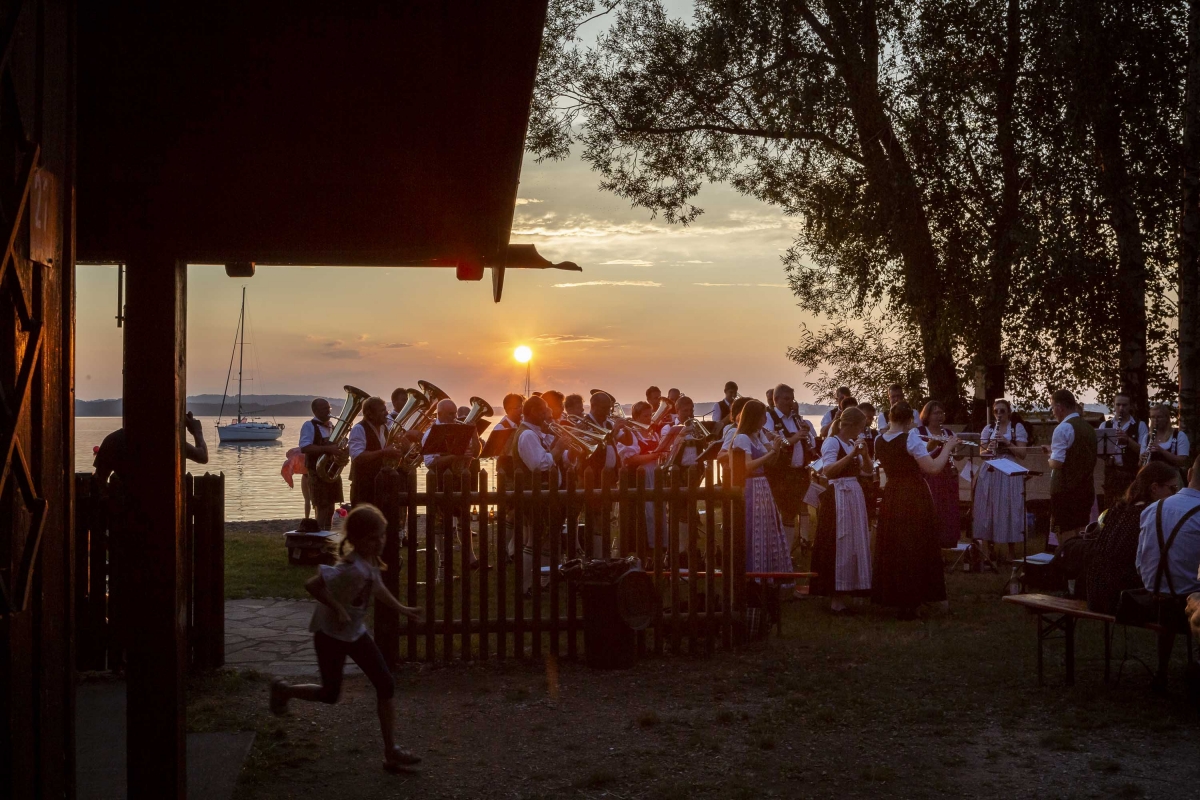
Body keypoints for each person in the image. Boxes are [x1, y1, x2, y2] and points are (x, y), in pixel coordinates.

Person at [269, 504, 423, 772]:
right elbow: (312, 585)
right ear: (357, 539)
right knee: (330, 694)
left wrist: (403, 609)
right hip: (329, 636)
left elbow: (377, 587)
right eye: (373, 538)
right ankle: (284, 690)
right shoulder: (348, 568)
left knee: (385, 684)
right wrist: (338, 607)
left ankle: (391, 752)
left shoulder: (369, 561)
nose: (380, 542)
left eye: (382, 535)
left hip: (355, 634)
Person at [872, 402, 954, 619]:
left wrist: (931, 447)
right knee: (915, 544)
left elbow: (907, 458)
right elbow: (933, 468)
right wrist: (948, 447)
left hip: (892, 493)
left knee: (896, 544)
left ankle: (895, 596)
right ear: (909, 420)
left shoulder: (879, 440)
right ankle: (915, 597)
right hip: (912, 495)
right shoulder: (911, 438)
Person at [1086, 461, 1180, 614]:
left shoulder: (1119, 508)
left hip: (1096, 591)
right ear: (1154, 488)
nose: (1175, 494)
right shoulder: (1149, 515)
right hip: (1122, 595)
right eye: (1173, 488)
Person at [1136, 465, 1200, 685]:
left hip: (1155, 594)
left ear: (1189, 474)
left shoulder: (1153, 508)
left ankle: (1162, 670)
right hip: (1188, 602)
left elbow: (1140, 562)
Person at [810, 407, 873, 612]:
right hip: (838, 494)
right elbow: (828, 471)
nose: (861, 432)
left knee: (855, 541)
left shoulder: (851, 443)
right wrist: (851, 455)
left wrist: (865, 455)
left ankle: (853, 586)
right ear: (851, 425)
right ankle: (836, 595)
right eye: (860, 427)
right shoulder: (832, 442)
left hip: (854, 493)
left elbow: (867, 471)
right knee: (839, 541)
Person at [507, 396, 568, 593]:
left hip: (544, 494)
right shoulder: (527, 435)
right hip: (535, 495)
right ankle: (525, 586)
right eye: (543, 410)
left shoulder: (535, 433)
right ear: (533, 411)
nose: (546, 414)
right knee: (534, 540)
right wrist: (559, 448)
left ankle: (541, 581)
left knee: (545, 539)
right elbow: (538, 464)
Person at [729, 400, 792, 580]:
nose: (765, 419)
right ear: (754, 417)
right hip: (751, 487)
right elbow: (748, 466)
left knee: (767, 530)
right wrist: (771, 452)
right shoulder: (742, 438)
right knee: (752, 529)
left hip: (762, 486)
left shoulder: (756, 436)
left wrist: (776, 448)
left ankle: (766, 571)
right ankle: (751, 573)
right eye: (763, 416)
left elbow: (770, 463)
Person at [422, 398, 481, 574]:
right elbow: (429, 462)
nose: (455, 417)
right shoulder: (431, 432)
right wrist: (456, 457)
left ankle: (470, 557)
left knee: (464, 520)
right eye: (450, 414)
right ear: (439, 414)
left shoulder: (459, 429)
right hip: (440, 482)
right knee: (441, 524)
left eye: (455, 413)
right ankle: (443, 561)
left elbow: (476, 454)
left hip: (459, 480)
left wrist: (474, 433)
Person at [764, 383, 818, 556]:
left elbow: (812, 443)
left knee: (796, 510)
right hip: (781, 473)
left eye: (792, 399)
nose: (791, 403)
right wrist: (795, 437)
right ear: (776, 399)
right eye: (787, 399)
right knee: (786, 513)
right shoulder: (769, 416)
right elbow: (771, 441)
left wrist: (807, 434)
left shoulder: (796, 419)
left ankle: (791, 549)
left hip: (799, 473)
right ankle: (784, 554)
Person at [973, 399, 1030, 562]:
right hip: (991, 469)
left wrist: (1006, 442)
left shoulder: (1016, 428)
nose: (999, 414)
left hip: (1009, 468)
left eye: (1002, 411)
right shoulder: (988, 428)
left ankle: (1011, 552)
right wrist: (989, 447)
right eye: (996, 411)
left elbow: (1022, 454)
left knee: (1009, 506)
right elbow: (982, 454)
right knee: (987, 507)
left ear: (1009, 412)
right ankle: (987, 551)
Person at [1043, 389, 1098, 543]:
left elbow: (1057, 463)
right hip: (1085, 489)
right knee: (1081, 533)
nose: (1053, 412)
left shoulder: (1062, 428)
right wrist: (1053, 453)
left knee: (1065, 535)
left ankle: (1068, 558)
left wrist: (1050, 458)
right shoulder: (1089, 429)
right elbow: (1078, 456)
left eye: (1053, 407)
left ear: (1060, 407)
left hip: (1065, 491)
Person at [917, 401, 961, 548]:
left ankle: (945, 544)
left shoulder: (949, 433)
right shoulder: (918, 432)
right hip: (928, 476)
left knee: (947, 510)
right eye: (936, 413)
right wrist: (931, 446)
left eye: (941, 413)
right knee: (932, 508)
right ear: (927, 415)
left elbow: (958, 457)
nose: (939, 416)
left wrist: (957, 447)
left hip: (947, 476)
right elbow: (918, 455)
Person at [623, 400, 664, 552]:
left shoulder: (653, 434)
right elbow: (630, 459)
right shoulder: (631, 434)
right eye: (645, 416)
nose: (649, 418)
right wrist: (653, 456)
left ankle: (659, 546)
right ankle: (644, 547)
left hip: (655, 473)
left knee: (657, 511)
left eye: (650, 415)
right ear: (636, 417)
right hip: (639, 475)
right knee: (643, 513)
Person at [299, 398, 345, 530]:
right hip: (317, 472)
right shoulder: (309, 425)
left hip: (332, 471)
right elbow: (305, 447)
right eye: (324, 408)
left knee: (331, 507)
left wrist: (341, 456)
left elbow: (337, 448)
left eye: (329, 408)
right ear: (315, 411)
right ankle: (319, 535)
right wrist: (328, 449)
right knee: (322, 507)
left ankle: (326, 534)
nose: (328, 411)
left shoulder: (332, 426)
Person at [348, 397, 402, 507]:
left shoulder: (384, 428)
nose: (386, 413)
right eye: (382, 411)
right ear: (370, 414)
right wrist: (384, 452)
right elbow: (357, 457)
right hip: (363, 488)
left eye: (386, 410)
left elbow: (387, 454)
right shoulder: (359, 429)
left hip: (382, 486)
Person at [1098, 393, 1147, 508]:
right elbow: (1099, 451)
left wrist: (1128, 440)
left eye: (1124, 405)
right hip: (1112, 474)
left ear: (1131, 406)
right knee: (1110, 506)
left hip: (1132, 473)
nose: (1121, 408)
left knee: (1130, 505)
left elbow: (1144, 452)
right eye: (1118, 405)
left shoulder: (1140, 425)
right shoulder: (1105, 425)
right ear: (1114, 406)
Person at [1142, 404, 1191, 481]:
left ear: (1167, 418)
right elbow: (1140, 464)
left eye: (1159, 417)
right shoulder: (1147, 437)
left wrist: (1162, 451)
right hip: (1152, 477)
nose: (1156, 420)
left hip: (1172, 477)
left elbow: (1182, 461)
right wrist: (1142, 458)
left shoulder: (1179, 435)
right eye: (1153, 417)